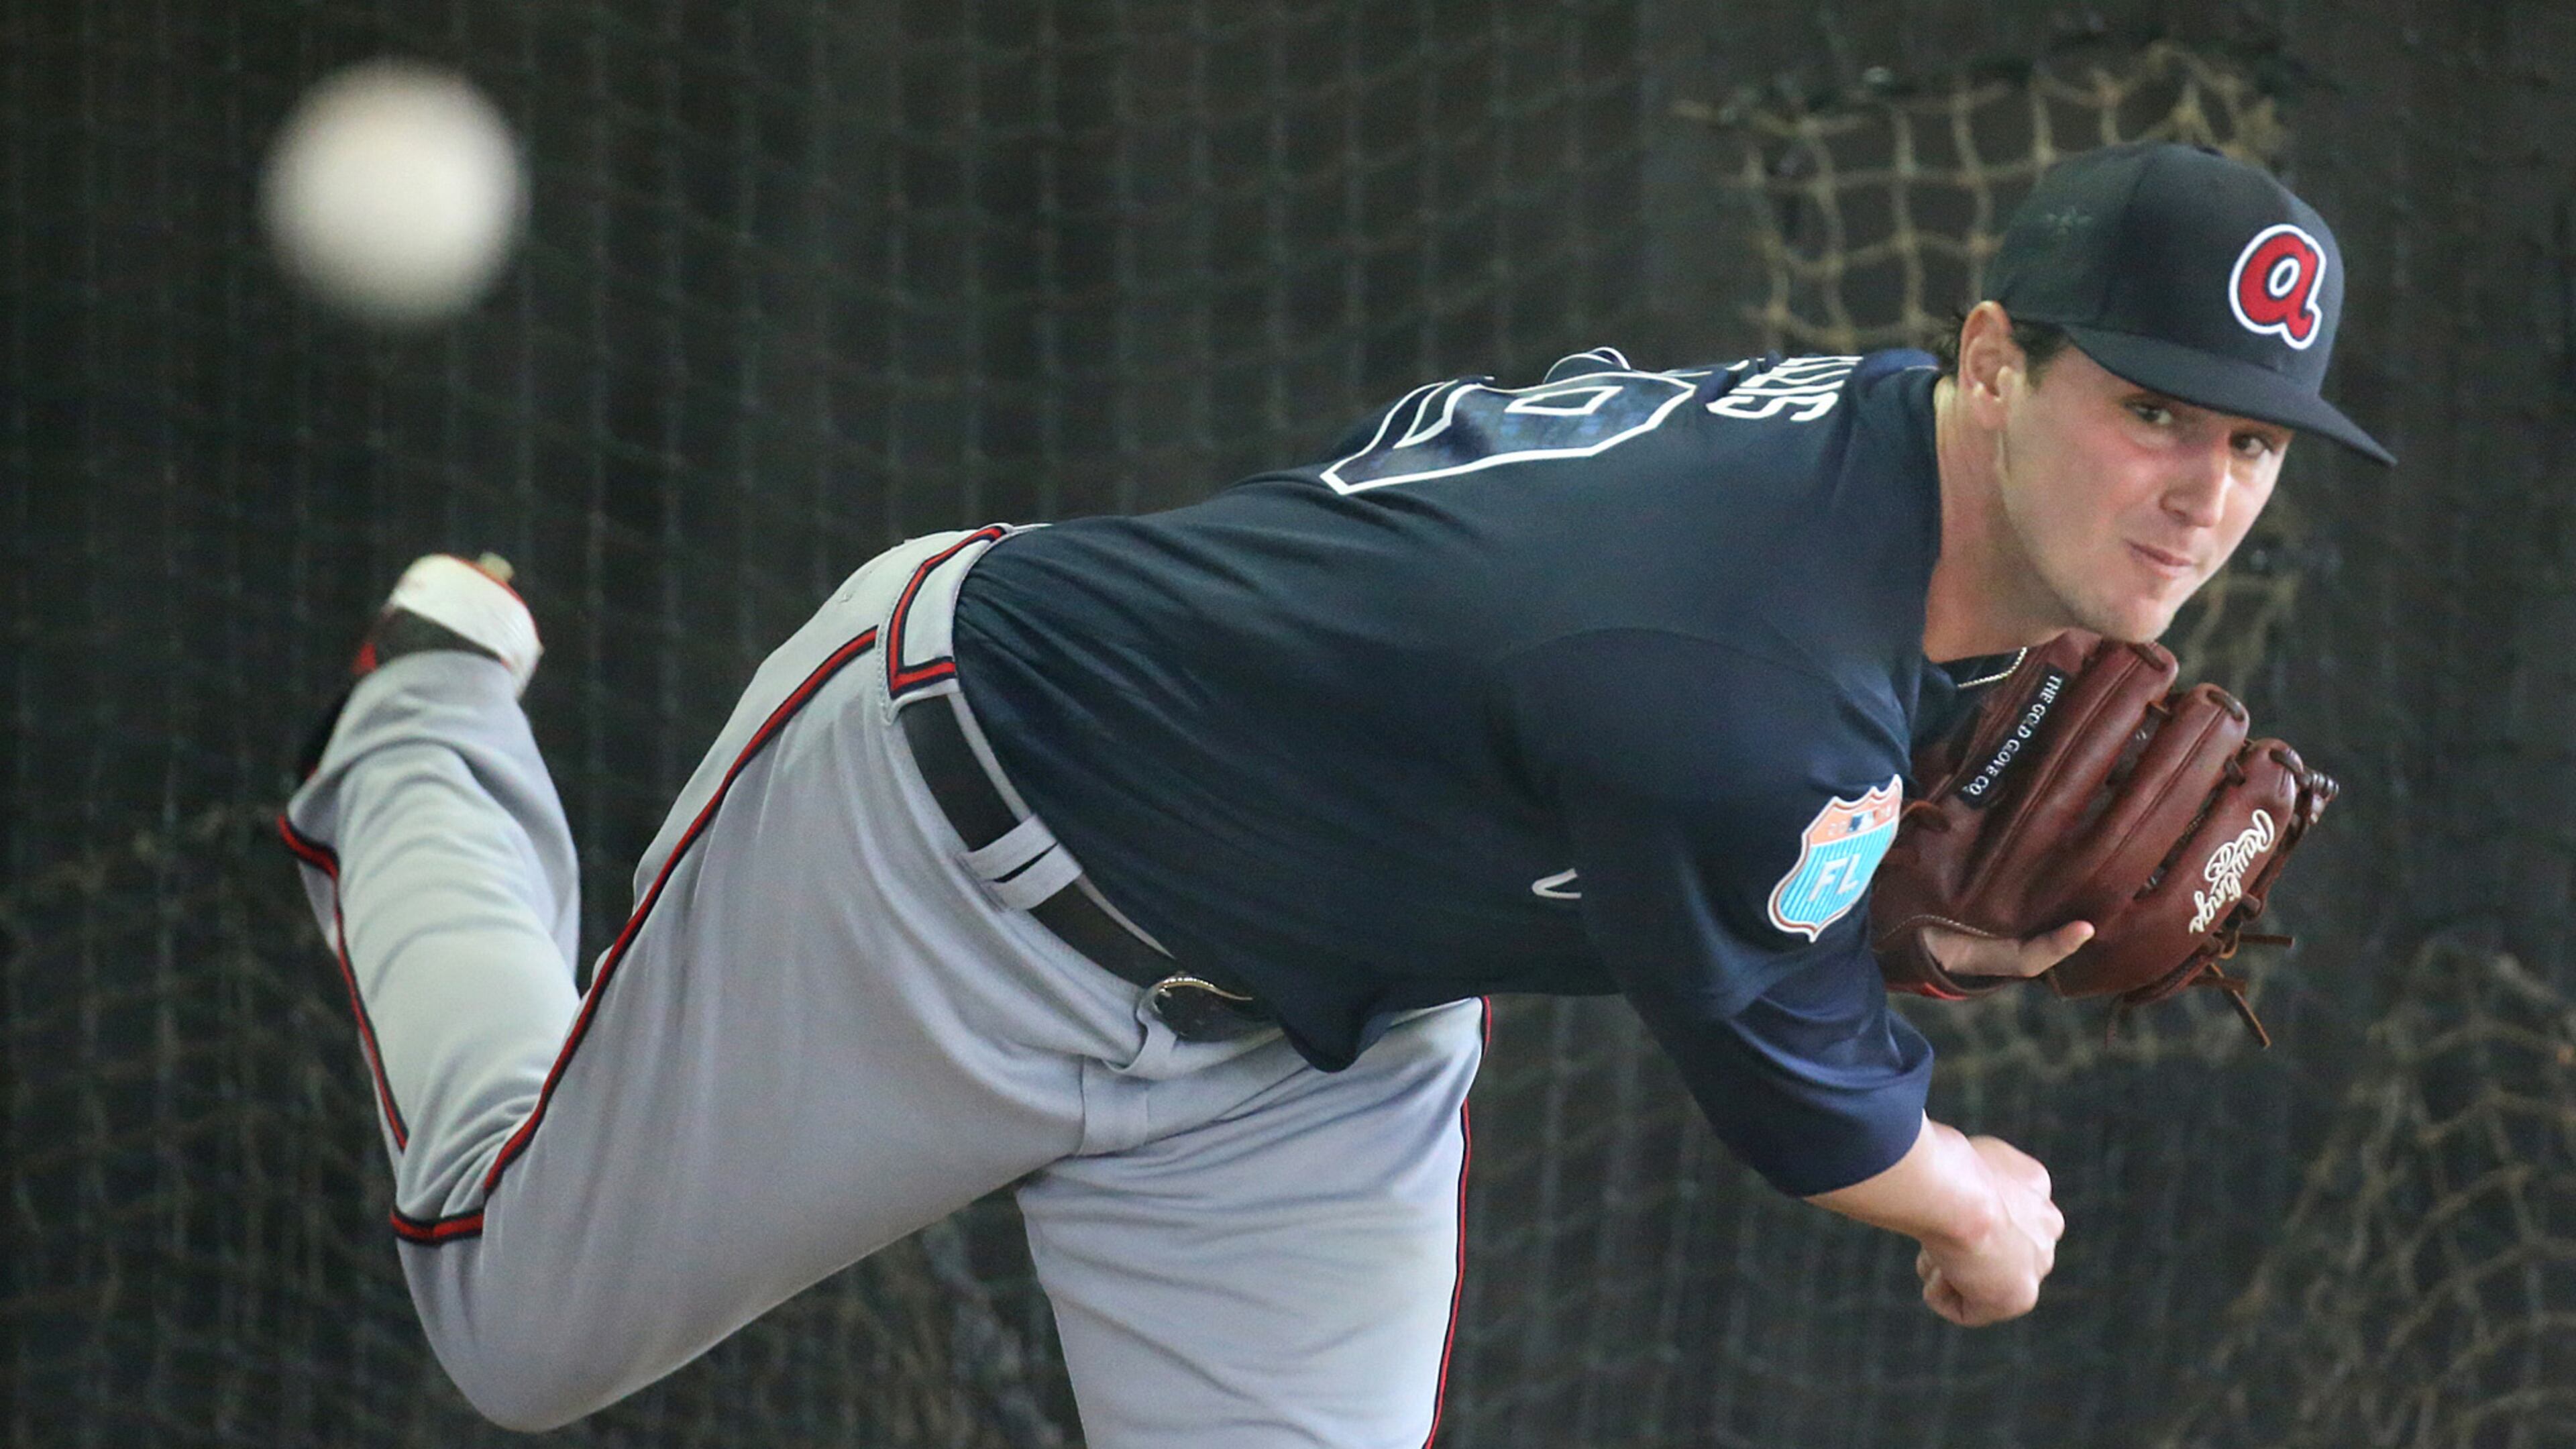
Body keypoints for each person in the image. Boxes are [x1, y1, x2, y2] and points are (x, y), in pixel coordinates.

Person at [281, 142, 2392, 1444]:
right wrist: (1978, 1201)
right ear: (1999, 358)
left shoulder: (1883, 467)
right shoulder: (1736, 668)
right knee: (517, 1324)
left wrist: (1839, 876)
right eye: (2153, 412)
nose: (2204, 493)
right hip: (954, 847)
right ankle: (422, 735)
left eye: (2257, 445)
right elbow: (1811, 1106)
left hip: (1313, 1046)